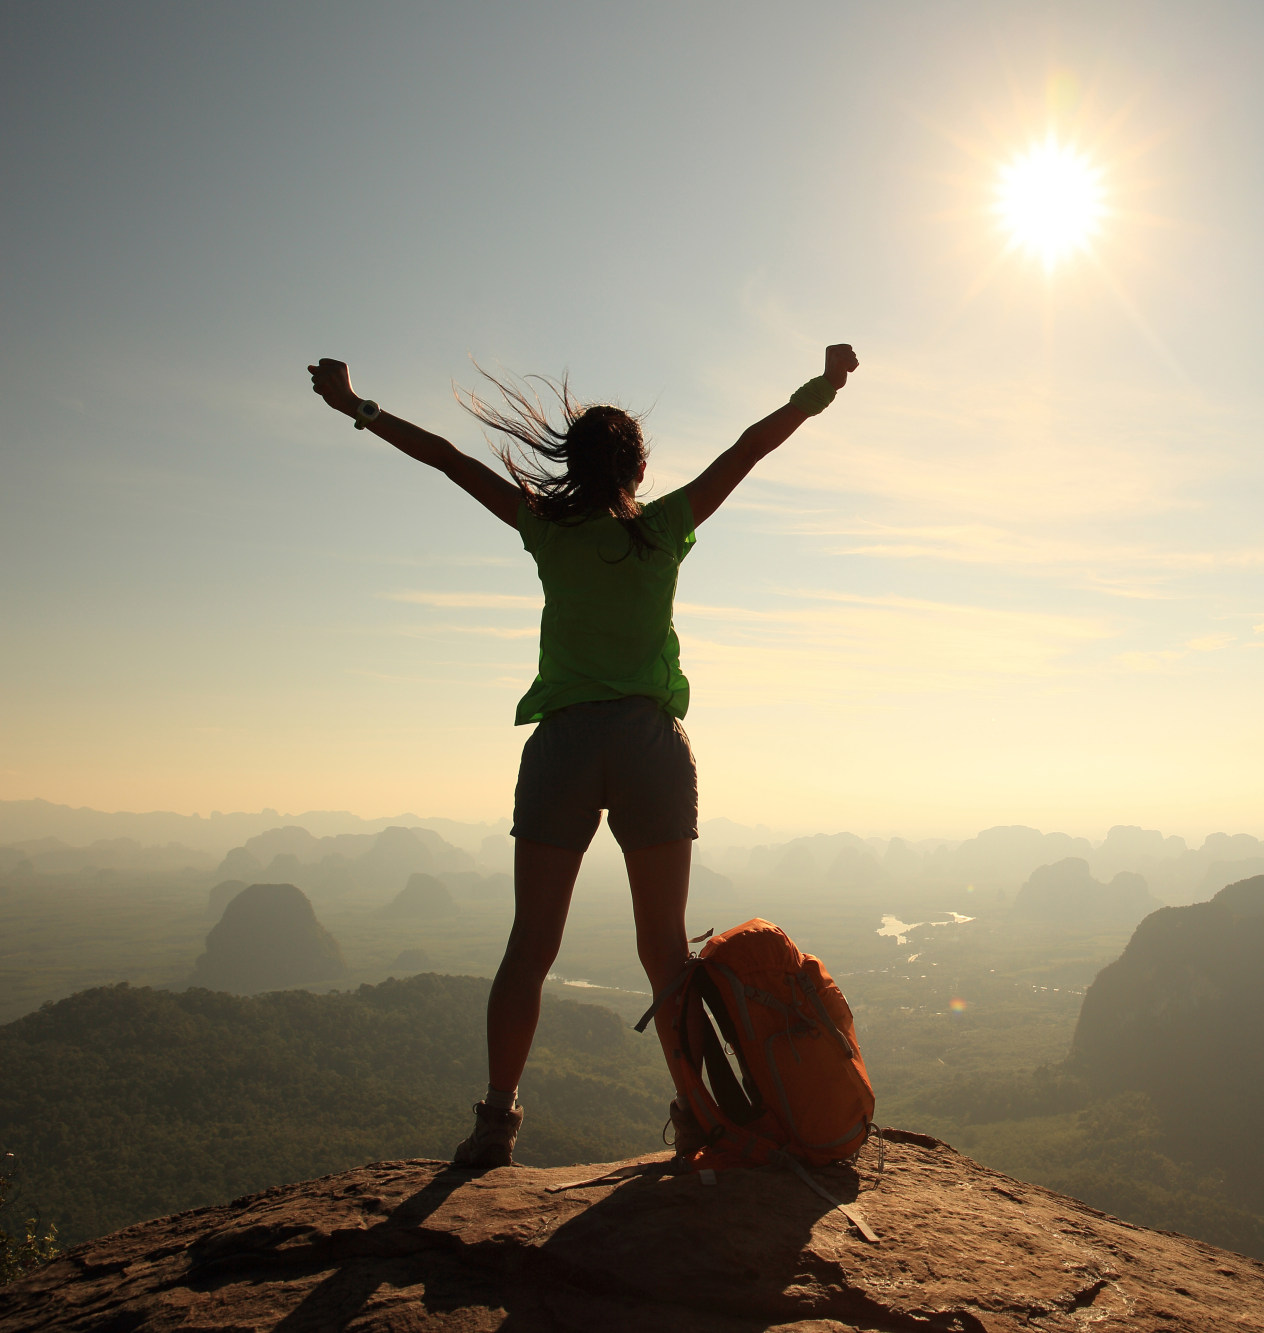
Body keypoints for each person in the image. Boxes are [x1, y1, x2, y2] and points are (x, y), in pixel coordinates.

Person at [305, 345, 860, 1168]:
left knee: (531, 943)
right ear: (637, 465)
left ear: (571, 464)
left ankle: (497, 1119)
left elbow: (450, 461)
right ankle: (702, 1116)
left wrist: (360, 406)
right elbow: (749, 445)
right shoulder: (664, 527)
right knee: (664, 950)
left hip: (563, 745)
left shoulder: (545, 527)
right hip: (650, 746)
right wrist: (822, 389)